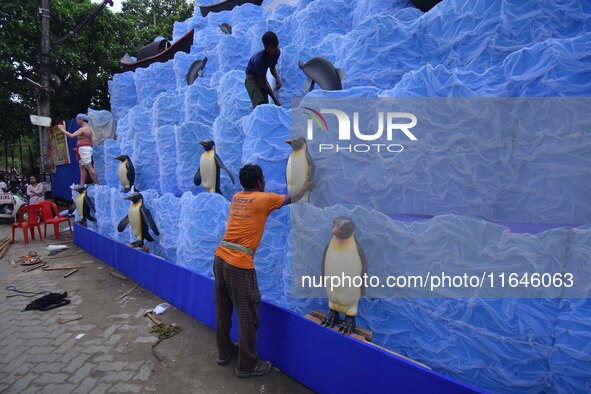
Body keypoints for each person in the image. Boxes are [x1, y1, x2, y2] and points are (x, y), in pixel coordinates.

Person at [214, 164, 314, 378]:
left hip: (220, 257)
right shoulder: (265, 198)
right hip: (239, 263)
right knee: (247, 315)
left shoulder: (236, 198)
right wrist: (307, 185)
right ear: (260, 182)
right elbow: (290, 198)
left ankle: (224, 352)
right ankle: (247, 365)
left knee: (223, 310)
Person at [57, 114, 99, 185]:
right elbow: (91, 141)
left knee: (89, 167)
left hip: (84, 148)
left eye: (77, 119)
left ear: (81, 119)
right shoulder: (89, 129)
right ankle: (82, 185)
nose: (76, 121)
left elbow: (71, 135)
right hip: (85, 148)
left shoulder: (83, 129)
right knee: (82, 167)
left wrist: (62, 129)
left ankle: (97, 185)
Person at [245, 31, 282, 108]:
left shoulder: (277, 52)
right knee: (260, 105)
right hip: (251, 79)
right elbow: (264, 82)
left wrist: (277, 78)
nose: (275, 49)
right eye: (273, 47)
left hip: (260, 76)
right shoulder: (260, 61)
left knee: (266, 104)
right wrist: (275, 100)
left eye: (276, 46)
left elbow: (272, 68)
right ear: (267, 47)